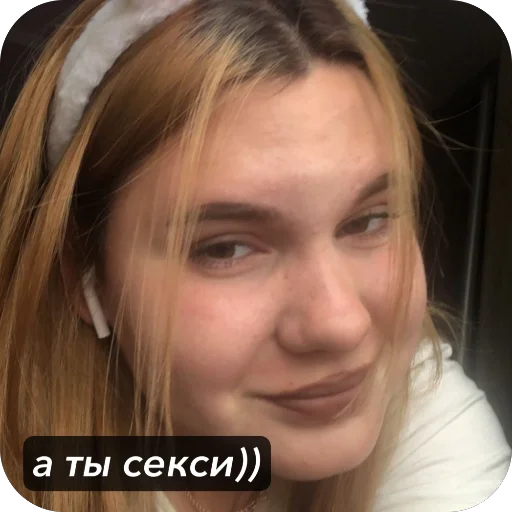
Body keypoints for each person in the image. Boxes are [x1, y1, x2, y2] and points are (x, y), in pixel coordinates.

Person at [0, 0, 509, 511]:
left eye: (368, 221)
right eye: (226, 248)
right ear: (85, 277)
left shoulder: (421, 406)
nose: (342, 325)